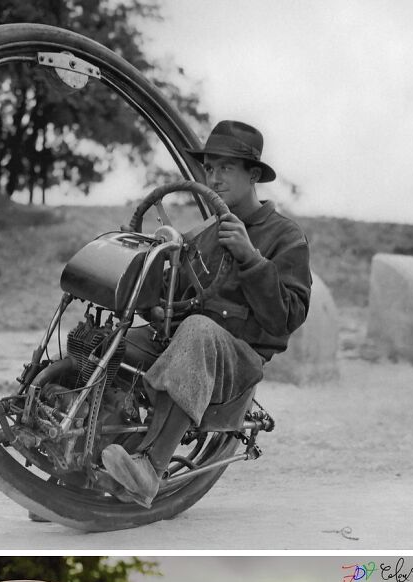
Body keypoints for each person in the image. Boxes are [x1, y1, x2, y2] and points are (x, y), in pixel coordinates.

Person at [101, 120, 312, 507]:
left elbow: (286, 319)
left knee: (199, 329)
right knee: (106, 344)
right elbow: (177, 297)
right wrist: (157, 302)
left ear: (253, 176)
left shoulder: (285, 236)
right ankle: (71, 475)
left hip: (238, 359)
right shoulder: (205, 233)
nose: (214, 178)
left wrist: (251, 259)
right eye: (210, 168)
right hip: (185, 341)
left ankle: (150, 467)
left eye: (226, 168)